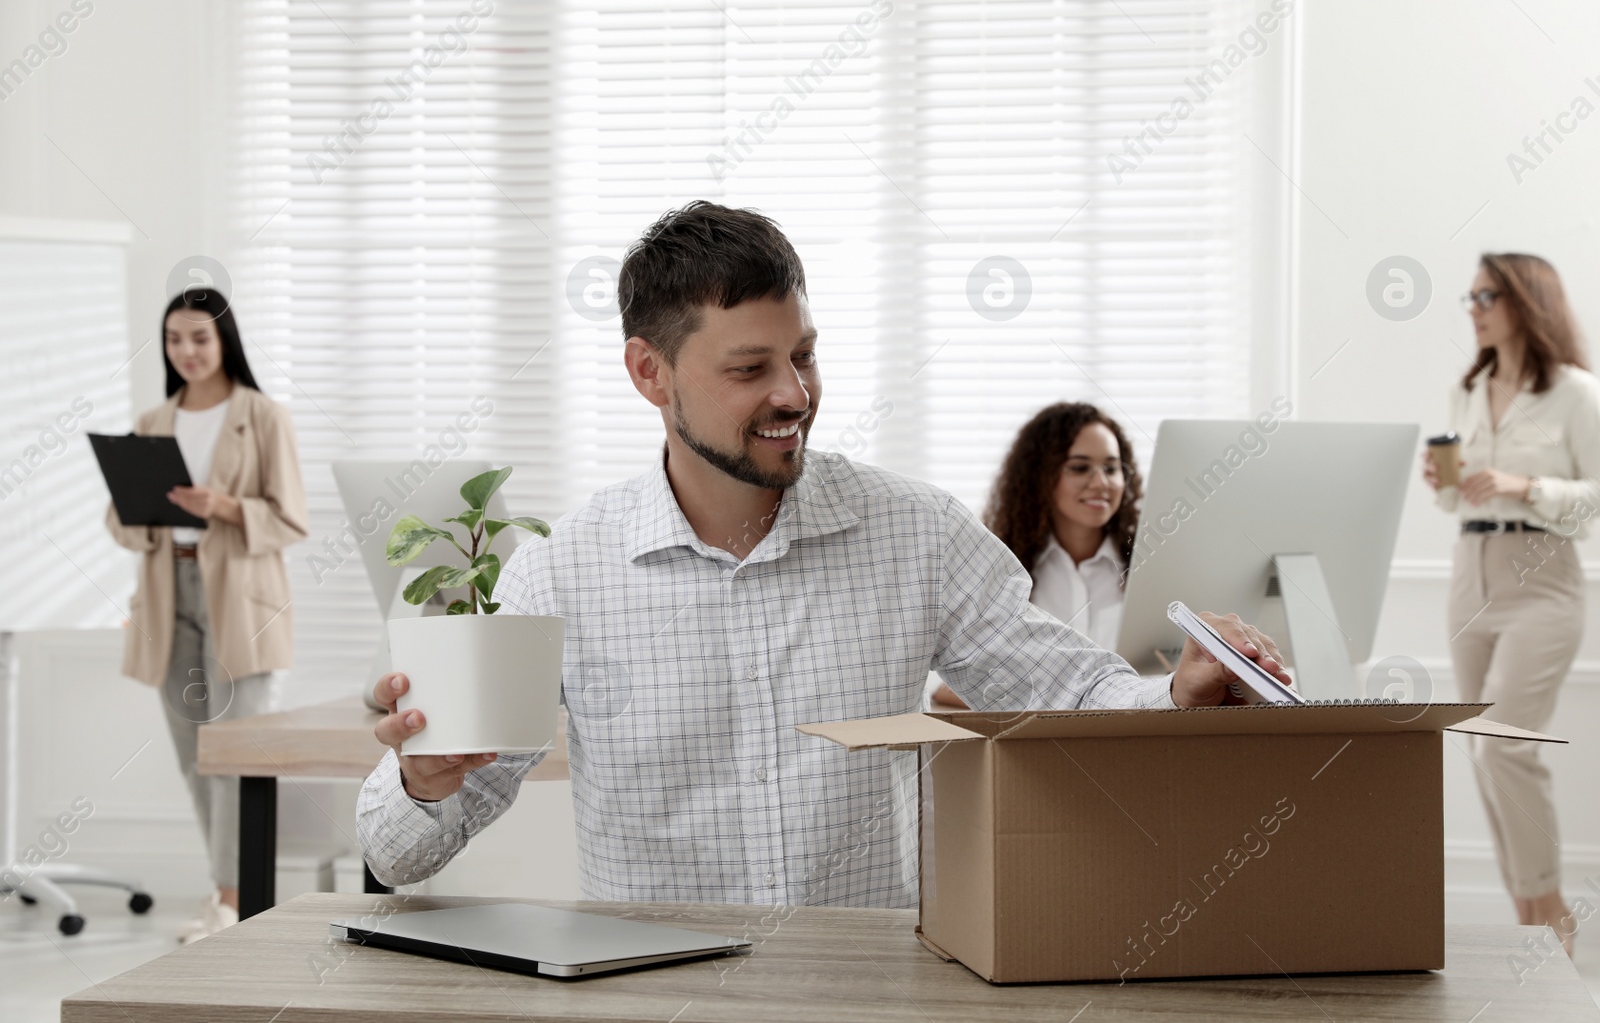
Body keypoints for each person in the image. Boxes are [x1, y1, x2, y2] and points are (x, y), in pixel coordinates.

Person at [357, 201, 1290, 909]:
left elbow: (1074, 690)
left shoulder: (914, 531)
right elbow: (400, 854)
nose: (795, 392)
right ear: (650, 372)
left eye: (804, 355)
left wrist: (1178, 690)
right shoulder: (561, 572)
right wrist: (423, 780)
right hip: (649, 997)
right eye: (749, 367)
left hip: (867, 992)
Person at [106, 288, 308, 942]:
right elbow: (123, 525)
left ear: (224, 341)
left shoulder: (263, 416)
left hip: (239, 599)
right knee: (195, 753)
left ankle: (233, 898)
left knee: (237, 751)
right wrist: (137, 509)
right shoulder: (150, 423)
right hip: (171, 599)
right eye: (173, 339)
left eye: (199, 337)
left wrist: (220, 506)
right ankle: (226, 890)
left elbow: (290, 519)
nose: (186, 351)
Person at [1422, 252, 1596, 957]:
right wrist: (1442, 480)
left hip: (1542, 576)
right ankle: (1531, 921)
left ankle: (1550, 907)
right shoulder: (1469, 390)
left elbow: (1594, 497)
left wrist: (1525, 485)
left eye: (1486, 294)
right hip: (1471, 572)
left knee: (1506, 746)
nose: (1473, 306)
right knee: (1481, 747)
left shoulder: (1575, 393)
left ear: (1527, 300)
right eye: (1469, 295)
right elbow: (1450, 498)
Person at [932, 402, 1141, 707]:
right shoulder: (1001, 568)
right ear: (1040, 477)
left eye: (1111, 468)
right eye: (1080, 467)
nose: (1101, 483)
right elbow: (949, 685)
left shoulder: (1148, 567)